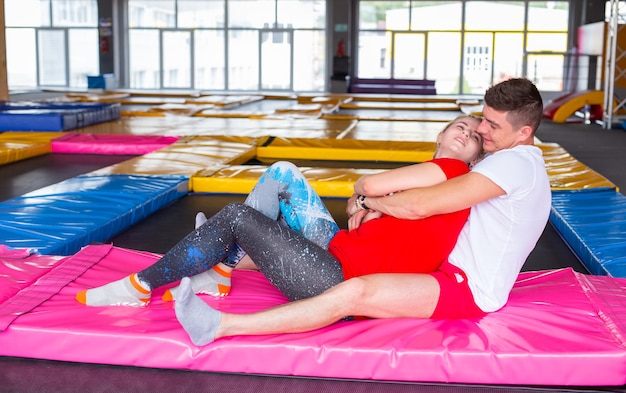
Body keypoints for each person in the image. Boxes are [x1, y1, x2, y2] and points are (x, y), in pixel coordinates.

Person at [169, 77, 552, 346]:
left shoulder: (514, 163)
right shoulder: (512, 161)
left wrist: (369, 202)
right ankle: (227, 255)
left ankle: (220, 324)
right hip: (441, 269)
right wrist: (372, 206)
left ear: (524, 132)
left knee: (355, 291)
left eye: (492, 125)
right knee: (331, 257)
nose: (482, 130)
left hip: (467, 288)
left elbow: (419, 205)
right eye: (482, 118)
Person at [76, 114, 484, 307]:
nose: (464, 133)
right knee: (284, 173)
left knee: (237, 217)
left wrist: (366, 198)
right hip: (339, 248)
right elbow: (368, 202)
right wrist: (366, 204)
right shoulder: (431, 180)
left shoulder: (454, 171)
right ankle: (220, 264)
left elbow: (370, 186)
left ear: (475, 158)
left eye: (472, 135)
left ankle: (140, 286)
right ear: (441, 132)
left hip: (337, 280)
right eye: (459, 126)